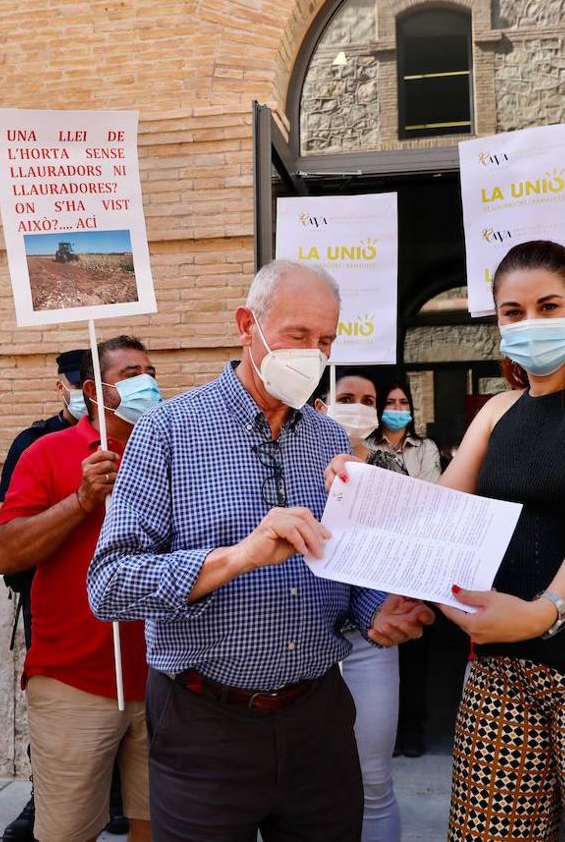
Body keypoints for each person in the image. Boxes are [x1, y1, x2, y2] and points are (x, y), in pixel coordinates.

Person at [331, 240, 565, 840]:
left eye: (547, 306)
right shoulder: (498, 411)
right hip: (503, 667)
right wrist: (356, 480)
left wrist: (540, 613)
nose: (530, 323)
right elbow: (435, 513)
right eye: (512, 312)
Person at [88, 259, 432, 842]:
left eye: (326, 341)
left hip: (319, 717)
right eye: (298, 335)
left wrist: (379, 610)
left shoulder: (331, 439)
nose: (314, 354)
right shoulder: (169, 429)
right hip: (205, 725)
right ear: (248, 324)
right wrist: (237, 557)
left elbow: (341, 569)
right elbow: (110, 584)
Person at [0, 334, 158, 842]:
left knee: (164, 826)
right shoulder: (47, 452)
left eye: (150, 372)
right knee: (66, 831)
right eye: (131, 374)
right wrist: (81, 501)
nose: (147, 383)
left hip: (166, 678)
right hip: (73, 682)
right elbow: (5, 552)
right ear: (94, 389)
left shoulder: (173, 447)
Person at [312, 368, 405, 842]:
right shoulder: (299, 459)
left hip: (369, 639)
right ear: (321, 403)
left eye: (368, 399)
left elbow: (410, 546)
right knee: (307, 785)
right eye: (346, 396)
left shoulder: (391, 466)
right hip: (308, 634)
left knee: (373, 780)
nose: (360, 406)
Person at [368, 375, 441, 757]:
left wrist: (390, 491)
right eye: (390, 403)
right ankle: (386, 734)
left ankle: (412, 731)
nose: (397, 411)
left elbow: (432, 493)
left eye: (403, 404)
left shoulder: (425, 447)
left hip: (418, 562)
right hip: (378, 563)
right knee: (380, 648)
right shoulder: (364, 446)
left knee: (415, 649)